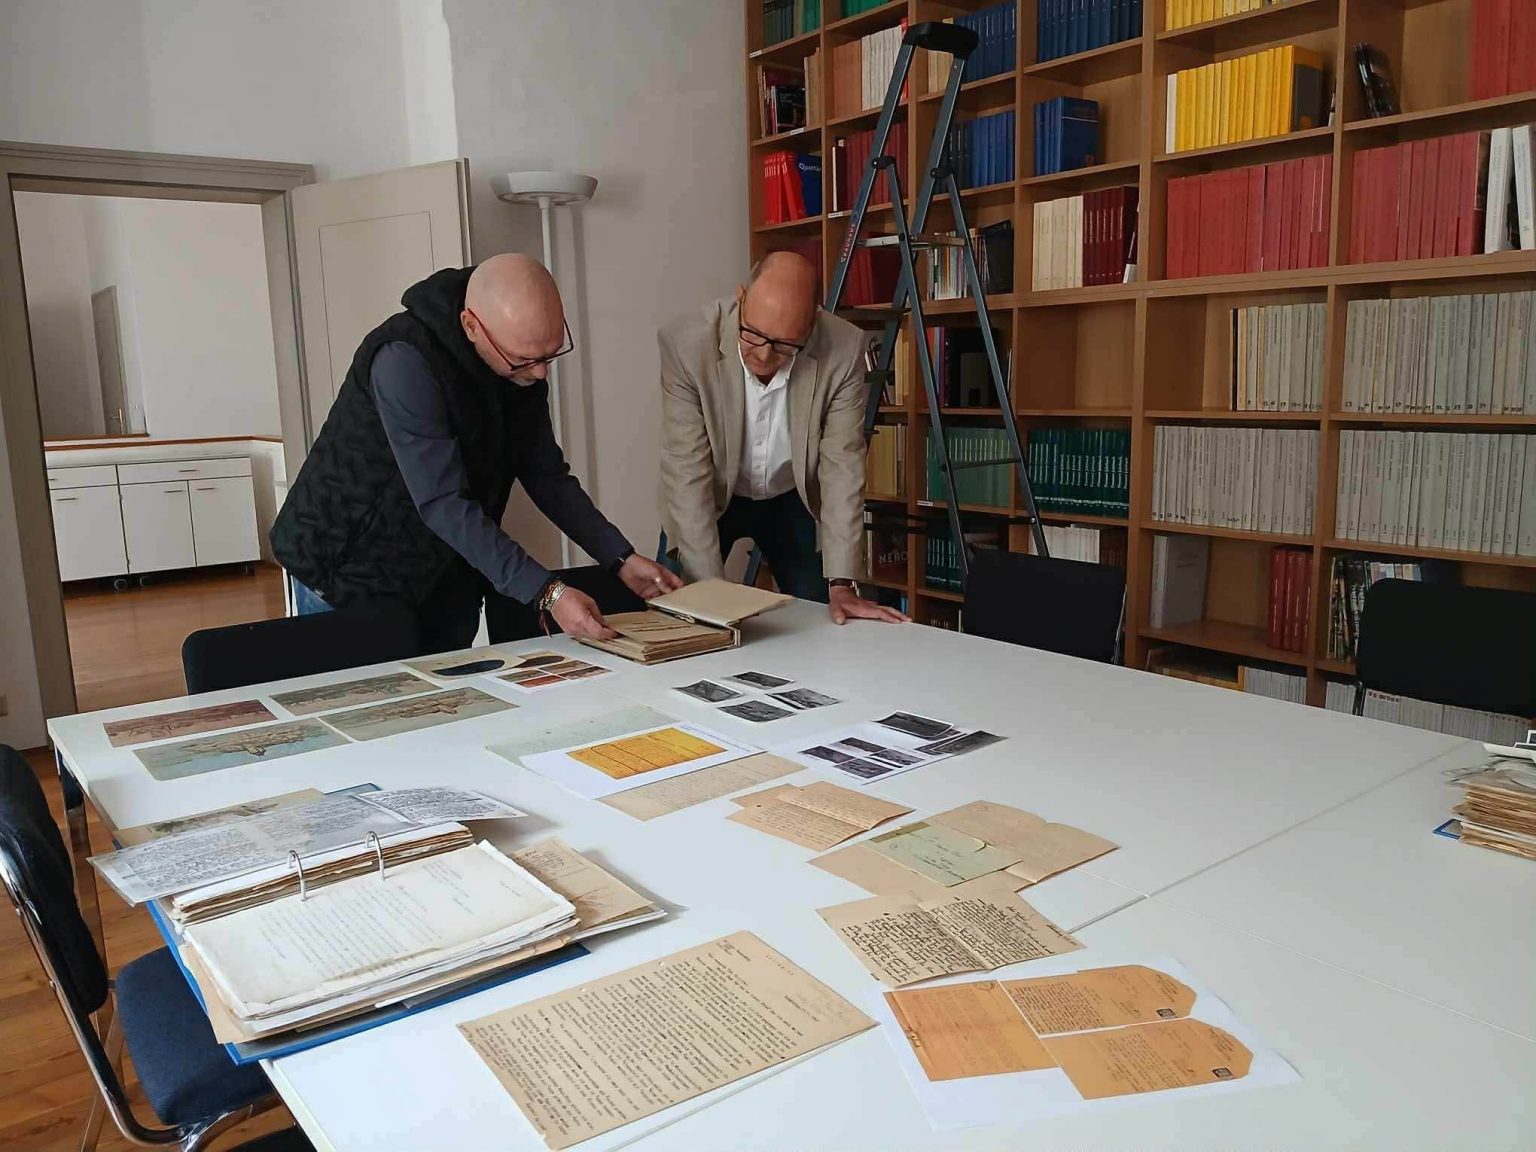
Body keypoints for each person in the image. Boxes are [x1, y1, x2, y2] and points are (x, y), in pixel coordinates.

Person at [271, 254, 680, 650]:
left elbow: (545, 474)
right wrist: (548, 593)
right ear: (471, 326)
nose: (540, 372)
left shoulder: (519, 362)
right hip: (347, 570)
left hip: (445, 576)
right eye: (525, 359)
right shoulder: (404, 360)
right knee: (366, 695)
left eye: (549, 355)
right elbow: (443, 502)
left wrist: (618, 557)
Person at [658, 252, 907, 625]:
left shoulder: (843, 348)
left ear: (812, 326)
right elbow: (686, 471)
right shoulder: (686, 344)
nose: (762, 354)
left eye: (783, 345)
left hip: (792, 497)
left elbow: (842, 466)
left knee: (823, 624)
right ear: (741, 298)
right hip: (709, 494)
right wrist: (709, 600)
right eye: (752, 334)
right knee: (682, 620)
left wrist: (842, 583)